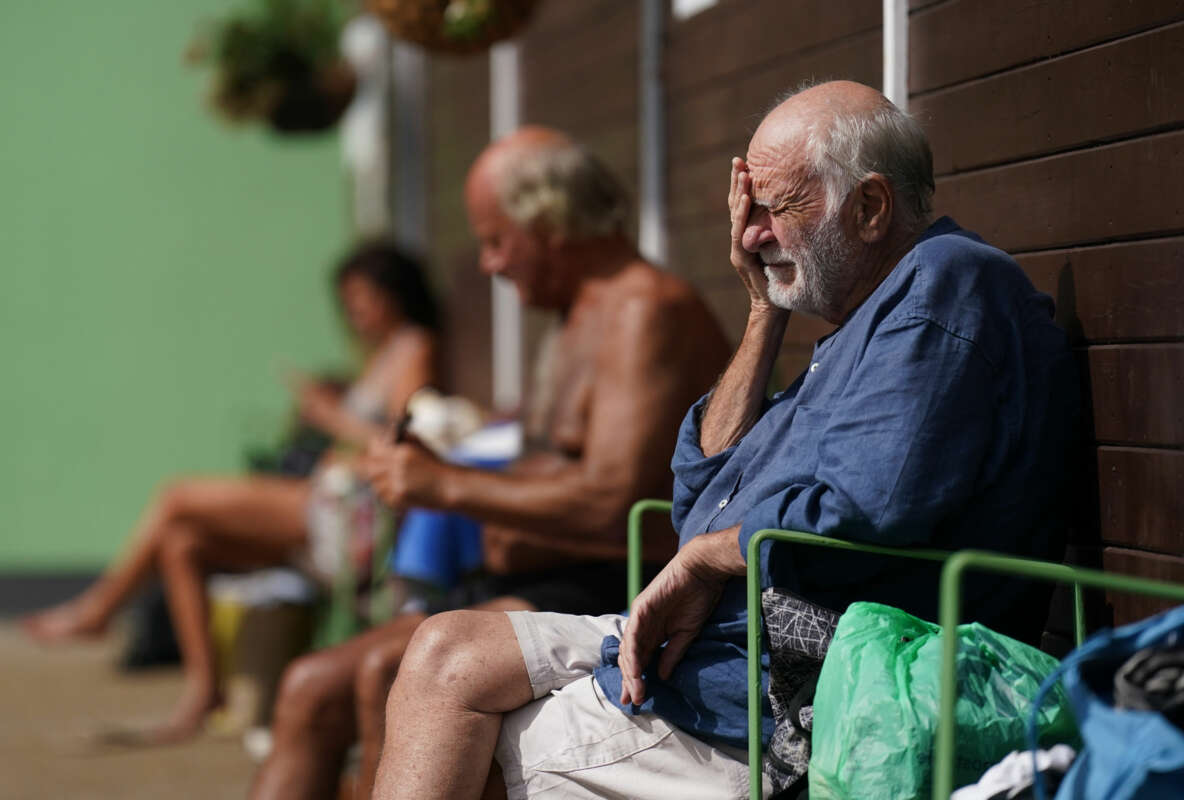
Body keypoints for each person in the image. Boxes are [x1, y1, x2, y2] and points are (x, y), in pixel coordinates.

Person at [368, 80, 1080, 800]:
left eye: (774, 209)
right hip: (717, 652)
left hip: (792, 692)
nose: (749, 235)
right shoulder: (855, 326)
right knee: (442, 652)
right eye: (750, 212)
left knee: (474, 745)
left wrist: (710, 557)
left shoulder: (943, 288)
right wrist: (762, 312)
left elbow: (868, 507)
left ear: (868, 208)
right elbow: (703, 490)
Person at [249, 126, 732, 800]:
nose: (488, 264)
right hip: (541, 581)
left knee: (381, 670)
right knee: (306, 688)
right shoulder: (580, 315)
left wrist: (446, 485)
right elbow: (557, 464)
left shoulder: (643, 311)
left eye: (496, 239)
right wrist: (450, 465)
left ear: (551, 222)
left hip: (614, 588)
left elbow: (611, 500)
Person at [21, 241, 440, 743]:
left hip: (349, 519)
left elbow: (408, 439)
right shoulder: (383, 354)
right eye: (347, 300)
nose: (354, 311)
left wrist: (331, 416)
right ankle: (203, 694)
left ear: (396, 293)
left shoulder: (415, 346)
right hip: (326, 507)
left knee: (178, 496)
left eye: (363, 297)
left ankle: (99, 610)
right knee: (182, 542)